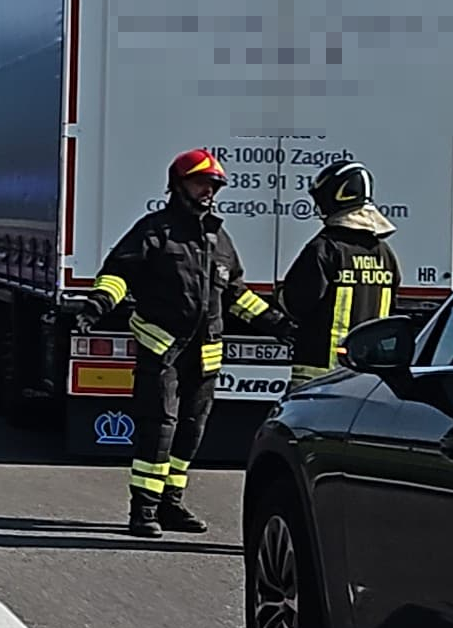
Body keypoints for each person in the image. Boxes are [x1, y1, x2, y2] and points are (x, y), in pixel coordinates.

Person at [66, 149, 289, 538]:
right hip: (162, 350)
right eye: (201, 183)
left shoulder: (218, 238)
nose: (208, 191)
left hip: (205, 355)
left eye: (213, 185)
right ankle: (144, 510)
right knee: (159, 428)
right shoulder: (154, 231)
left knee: (190, 430)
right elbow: (118, 274)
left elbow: (235, 294)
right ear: (178, 185)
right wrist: (94, 308)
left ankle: (171, 503)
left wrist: (277, 324)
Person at [280, 160, 401, 383]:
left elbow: (296, 303)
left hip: (319, 373)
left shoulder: (325, 248)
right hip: (368, 374)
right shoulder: (384, 253)